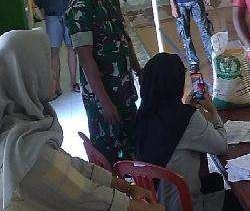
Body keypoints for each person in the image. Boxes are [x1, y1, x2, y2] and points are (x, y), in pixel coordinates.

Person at [0, 30, 162, 211]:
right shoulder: (27, 153)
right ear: (27, 75)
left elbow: (70, 164)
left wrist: (129, 188)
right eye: (47, 64)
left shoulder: (19, 127)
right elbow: (86, 196)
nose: (54, 71)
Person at [65, 0, 141, 163]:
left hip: (124, 90)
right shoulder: (79, 6)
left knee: (135, 147)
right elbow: (86, 59)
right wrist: (105, 102)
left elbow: (123, 38)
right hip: (103, 98)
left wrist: (138, 70)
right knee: (109, 158)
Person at [135, 53, 234, 211]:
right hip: (186, 207)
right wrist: (212, 110)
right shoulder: (186, 118)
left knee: (214, 179)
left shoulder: (142, 117)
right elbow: (222, 146)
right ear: (178, 85)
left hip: (156, 204)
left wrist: (188, 108)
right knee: (241, 199)